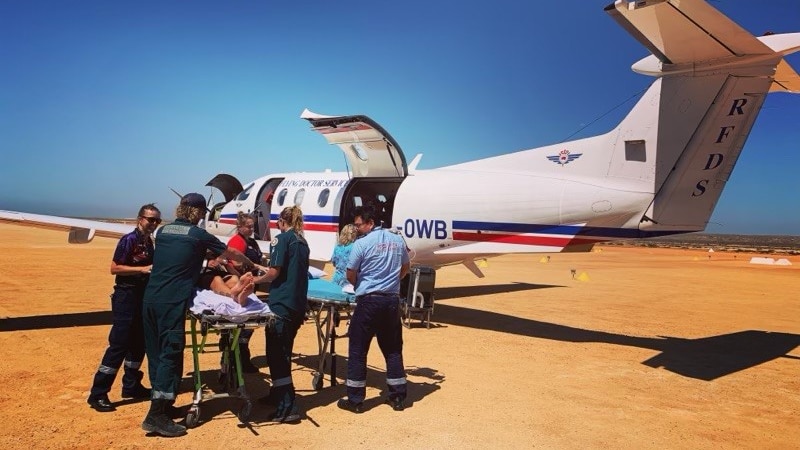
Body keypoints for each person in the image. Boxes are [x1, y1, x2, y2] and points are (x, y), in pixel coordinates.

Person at [141, 193, 251, 437]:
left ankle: (163, 405)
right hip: (171, 302)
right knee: (170, 353)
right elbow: (231, 253)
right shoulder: (197, 234)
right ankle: (156, 415)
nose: (203, 217)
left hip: (150, 299)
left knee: (156, 353)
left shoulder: (163, 231)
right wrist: (251, 264)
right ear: (198, 213)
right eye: (202, 213)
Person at [87, 204, 161, 413]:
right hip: (126, 296)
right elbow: (114, 268)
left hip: (141, 296)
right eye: (150, 219)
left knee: (139, 342)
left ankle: (131, 385)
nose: (153, 224)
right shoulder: (128, 240)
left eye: (157, 220)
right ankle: (98, 393)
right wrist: (143, 269)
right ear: (140, 219)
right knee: (119, 344)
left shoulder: (149, 242)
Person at [338, 205, 410, 414]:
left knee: (358, 349)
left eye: (359, 224)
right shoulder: (397, 240)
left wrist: (361, 283)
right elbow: (406, 267)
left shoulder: (362, 244)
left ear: (370, 223)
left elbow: (350, 273)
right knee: (393, 349)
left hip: (369, 302)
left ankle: (355, 400)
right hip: (391, 302)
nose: (357, 228)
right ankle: (397, 397)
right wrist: (393, 281)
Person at [256, 206, 310, 423]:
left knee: (277, 355)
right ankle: (278, 394)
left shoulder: (281, 239)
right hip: (297, 304)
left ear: (281, 221)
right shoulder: (302, 242)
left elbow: (274, 272)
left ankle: (288, 406)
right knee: (284, 351)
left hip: (282, 304)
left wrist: (255, 279)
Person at [224, 212, 267, 372]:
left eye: (252, 226)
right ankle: (237, 358)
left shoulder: (252, 242)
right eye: (248, 226)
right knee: (241, 324)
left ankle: (241, 357)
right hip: (241, 286)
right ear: (239, 227)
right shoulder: (237, 241)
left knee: (247, 325)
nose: (251, 229)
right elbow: (233, 262)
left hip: (250, 285)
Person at [331, 224, 358, 288]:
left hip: (336, 279)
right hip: (348, 281)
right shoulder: (355, 247)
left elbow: (334, 263)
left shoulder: (338, 246)